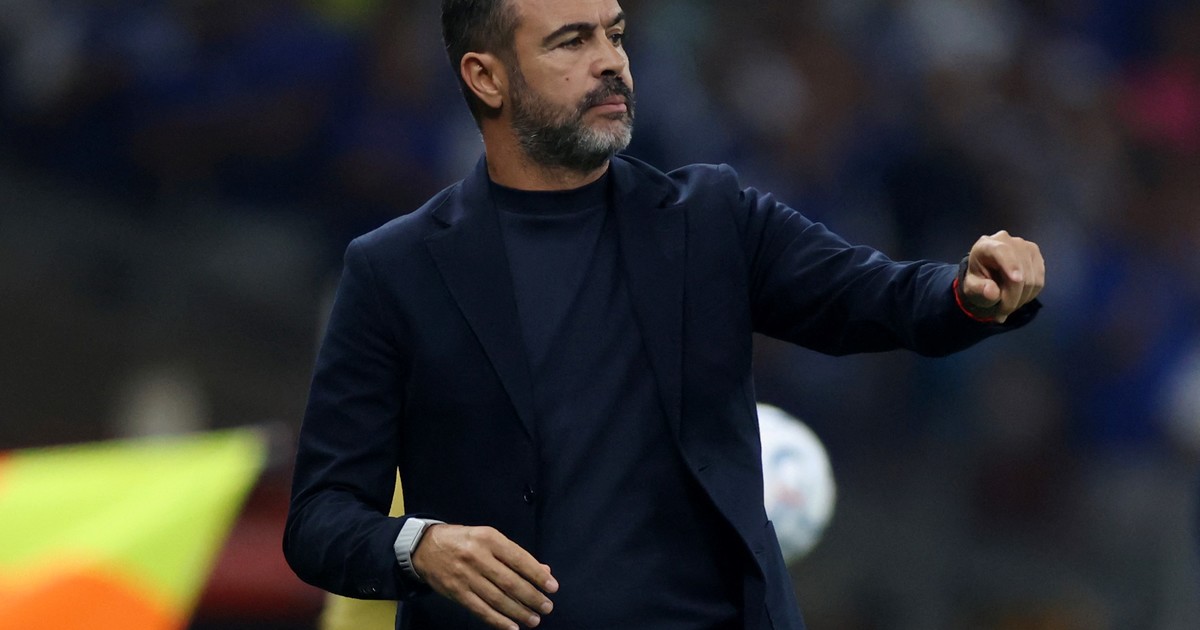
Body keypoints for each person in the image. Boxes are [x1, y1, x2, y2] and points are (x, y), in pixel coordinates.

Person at [282, 0, 1046, 629]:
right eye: (572, 41)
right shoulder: (395, 271)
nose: (611, 61)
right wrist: (421, 546)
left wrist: (970, 290)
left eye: (614, 34)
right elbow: (320, 518)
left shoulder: (710, 219)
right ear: (487, 76)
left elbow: (879, 296)